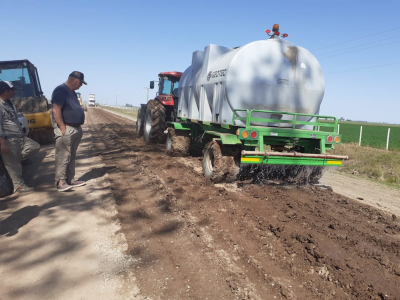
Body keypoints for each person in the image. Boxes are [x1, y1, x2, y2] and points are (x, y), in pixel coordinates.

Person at [0, 81, 40, 193]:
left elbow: (14, 120)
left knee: (34, 146)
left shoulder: (9, 102)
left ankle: (13, 159)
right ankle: (19, 186)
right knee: (14, 165)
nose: (14, 92)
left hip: (18, 137)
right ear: (5, 91)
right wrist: (2, 143)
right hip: (8, 139)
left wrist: (23, 135)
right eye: (12, 90)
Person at [51, 71, 87, 192]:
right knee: (63, 156)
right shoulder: (61, 90)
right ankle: (60, 182)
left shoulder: (72, 92)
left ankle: (70, 180)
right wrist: (62, 128)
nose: (80, 86)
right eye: (80, 83)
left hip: (75, 128)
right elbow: (56, 110)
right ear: (75, 80)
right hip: (67, 128)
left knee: (71, 155)